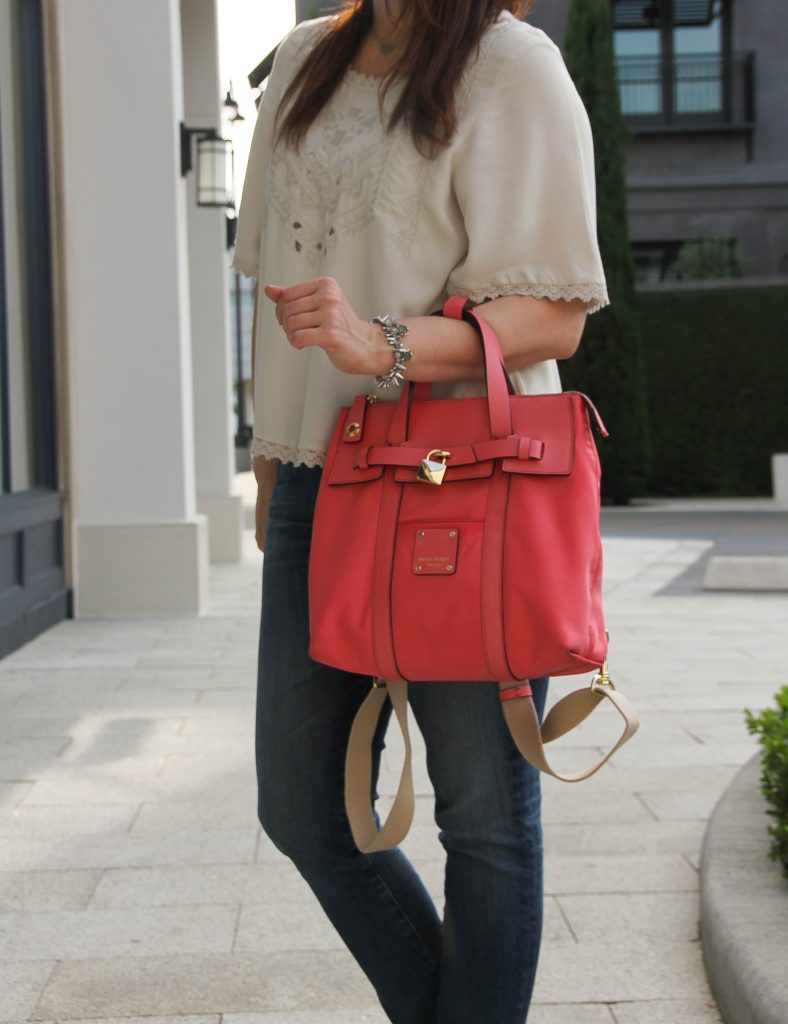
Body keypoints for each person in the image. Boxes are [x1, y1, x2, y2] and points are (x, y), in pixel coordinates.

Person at [232, 1, 608, 1021]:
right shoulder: (307, 58)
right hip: (319, 472)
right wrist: (273, 469)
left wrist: (381, 345)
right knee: (302, 804)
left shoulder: (508, 63)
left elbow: (553, 311)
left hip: (463, 479)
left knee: (483, 812)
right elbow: (275, 278)